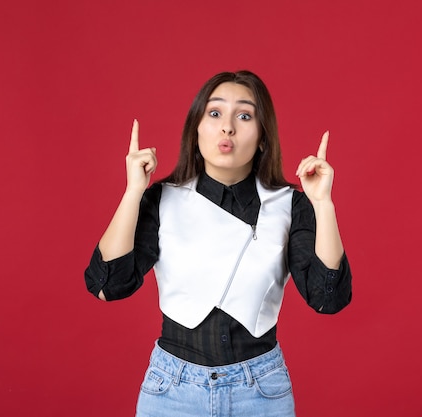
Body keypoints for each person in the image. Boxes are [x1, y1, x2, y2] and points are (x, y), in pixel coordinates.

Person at [84, 70, 352, 417]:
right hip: (172, 391)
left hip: (261, 392)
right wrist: (133, 192)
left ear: (262, 137)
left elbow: (328, 299)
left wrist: (323, 204)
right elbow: (107, 285)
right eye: (214, 113)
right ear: (196, 128)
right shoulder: (161, 200)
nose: (228, 127)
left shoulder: (290, 204)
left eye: (244, 115)